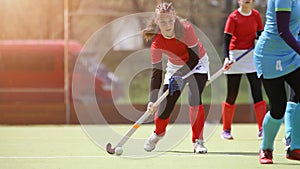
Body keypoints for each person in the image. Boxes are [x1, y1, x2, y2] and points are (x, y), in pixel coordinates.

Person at [142, 2, 210, 154]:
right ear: (157, 22)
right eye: (163, 22)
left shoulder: (186, 29)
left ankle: (198, 141)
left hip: (198, 63)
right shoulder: (157, 42)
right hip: (174, 67)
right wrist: (152, 99)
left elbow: (194, 58)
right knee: (165, 104)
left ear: (175, 18)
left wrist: (180, 76)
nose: (167, 25)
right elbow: (156, 72)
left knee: (194, 97)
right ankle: (158, 133)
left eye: (170, 21)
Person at [253, 0, 300, 164]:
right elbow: (283, 31)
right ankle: (266, 148)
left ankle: (295, 147)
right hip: (269, 56)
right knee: (277, 108)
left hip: (292, 54)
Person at [221, 0, 266, 140]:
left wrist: (259, 44)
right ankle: (226, 130)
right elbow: (226, 40)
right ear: (238, 1)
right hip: (235, 57)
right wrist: (226, 58)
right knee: (232, 94)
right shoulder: (233, 17)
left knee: (257, 92)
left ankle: (262, 129)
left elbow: (261, 35)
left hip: (252, 57)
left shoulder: (256, 15)